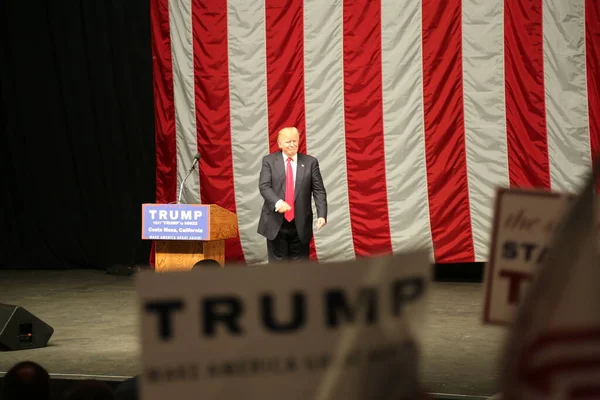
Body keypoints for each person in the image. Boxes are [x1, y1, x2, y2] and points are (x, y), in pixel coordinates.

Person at [258, 127, 327, 262]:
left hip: (300, 224)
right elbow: (264, 186)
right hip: (275, 223)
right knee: (278, 272)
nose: (292, 145)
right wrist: (278, 202)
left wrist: (322, 214)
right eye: (288, 141)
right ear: (279, 144)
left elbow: (319, 190)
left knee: (300, 271)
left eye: (295, 141)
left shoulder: (310, 162)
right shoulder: (269, 161)